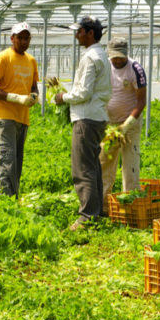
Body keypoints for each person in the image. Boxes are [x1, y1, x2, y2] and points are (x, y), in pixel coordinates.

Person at [55, 16, 111, 229]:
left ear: (89, 32)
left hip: (87, 117)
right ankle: (96, 212)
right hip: (97, 116)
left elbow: (84, 92)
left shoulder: (90, 57)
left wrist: (63, 97)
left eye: (79, 31)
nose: (76, 35)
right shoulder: (100, 55)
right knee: (93, 165)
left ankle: (87, 216)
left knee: (83, 168)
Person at [0, 22, 39, 197]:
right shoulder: (3, 58)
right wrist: (15, 97)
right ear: (12, 38)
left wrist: (33, 97)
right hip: (4, 116)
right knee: (8, 159)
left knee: (17, 161)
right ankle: (7, 201)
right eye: (20, 38)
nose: (23, 41)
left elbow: (33, 86)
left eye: (26, 38)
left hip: (22, 117)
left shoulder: (31, 60)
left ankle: (14, 196)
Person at [100, 37, 147, 212]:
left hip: (131, 123)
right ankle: (104, 206)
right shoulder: (105, 68)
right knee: (105, 161)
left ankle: (131, 206)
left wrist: (126, 125)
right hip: (110, 124)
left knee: (130, 164)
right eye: (114, 57)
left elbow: (141, 102)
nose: (118, 60)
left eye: (121, 57)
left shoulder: (136, 69)